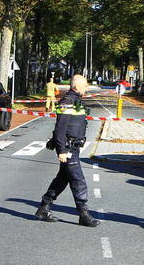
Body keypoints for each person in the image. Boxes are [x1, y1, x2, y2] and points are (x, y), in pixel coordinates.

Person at [35, 74, 99, 227]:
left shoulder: (76, 101)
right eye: (85, 85)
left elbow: (70, 124)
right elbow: (60, 127)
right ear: (77, 86)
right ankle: (84, 214)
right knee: (78, 180)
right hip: (69, 148)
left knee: (62, 179)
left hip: (73, 146)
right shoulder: (67, 102)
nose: (87, 88)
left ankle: (44, 207)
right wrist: (61, 149)